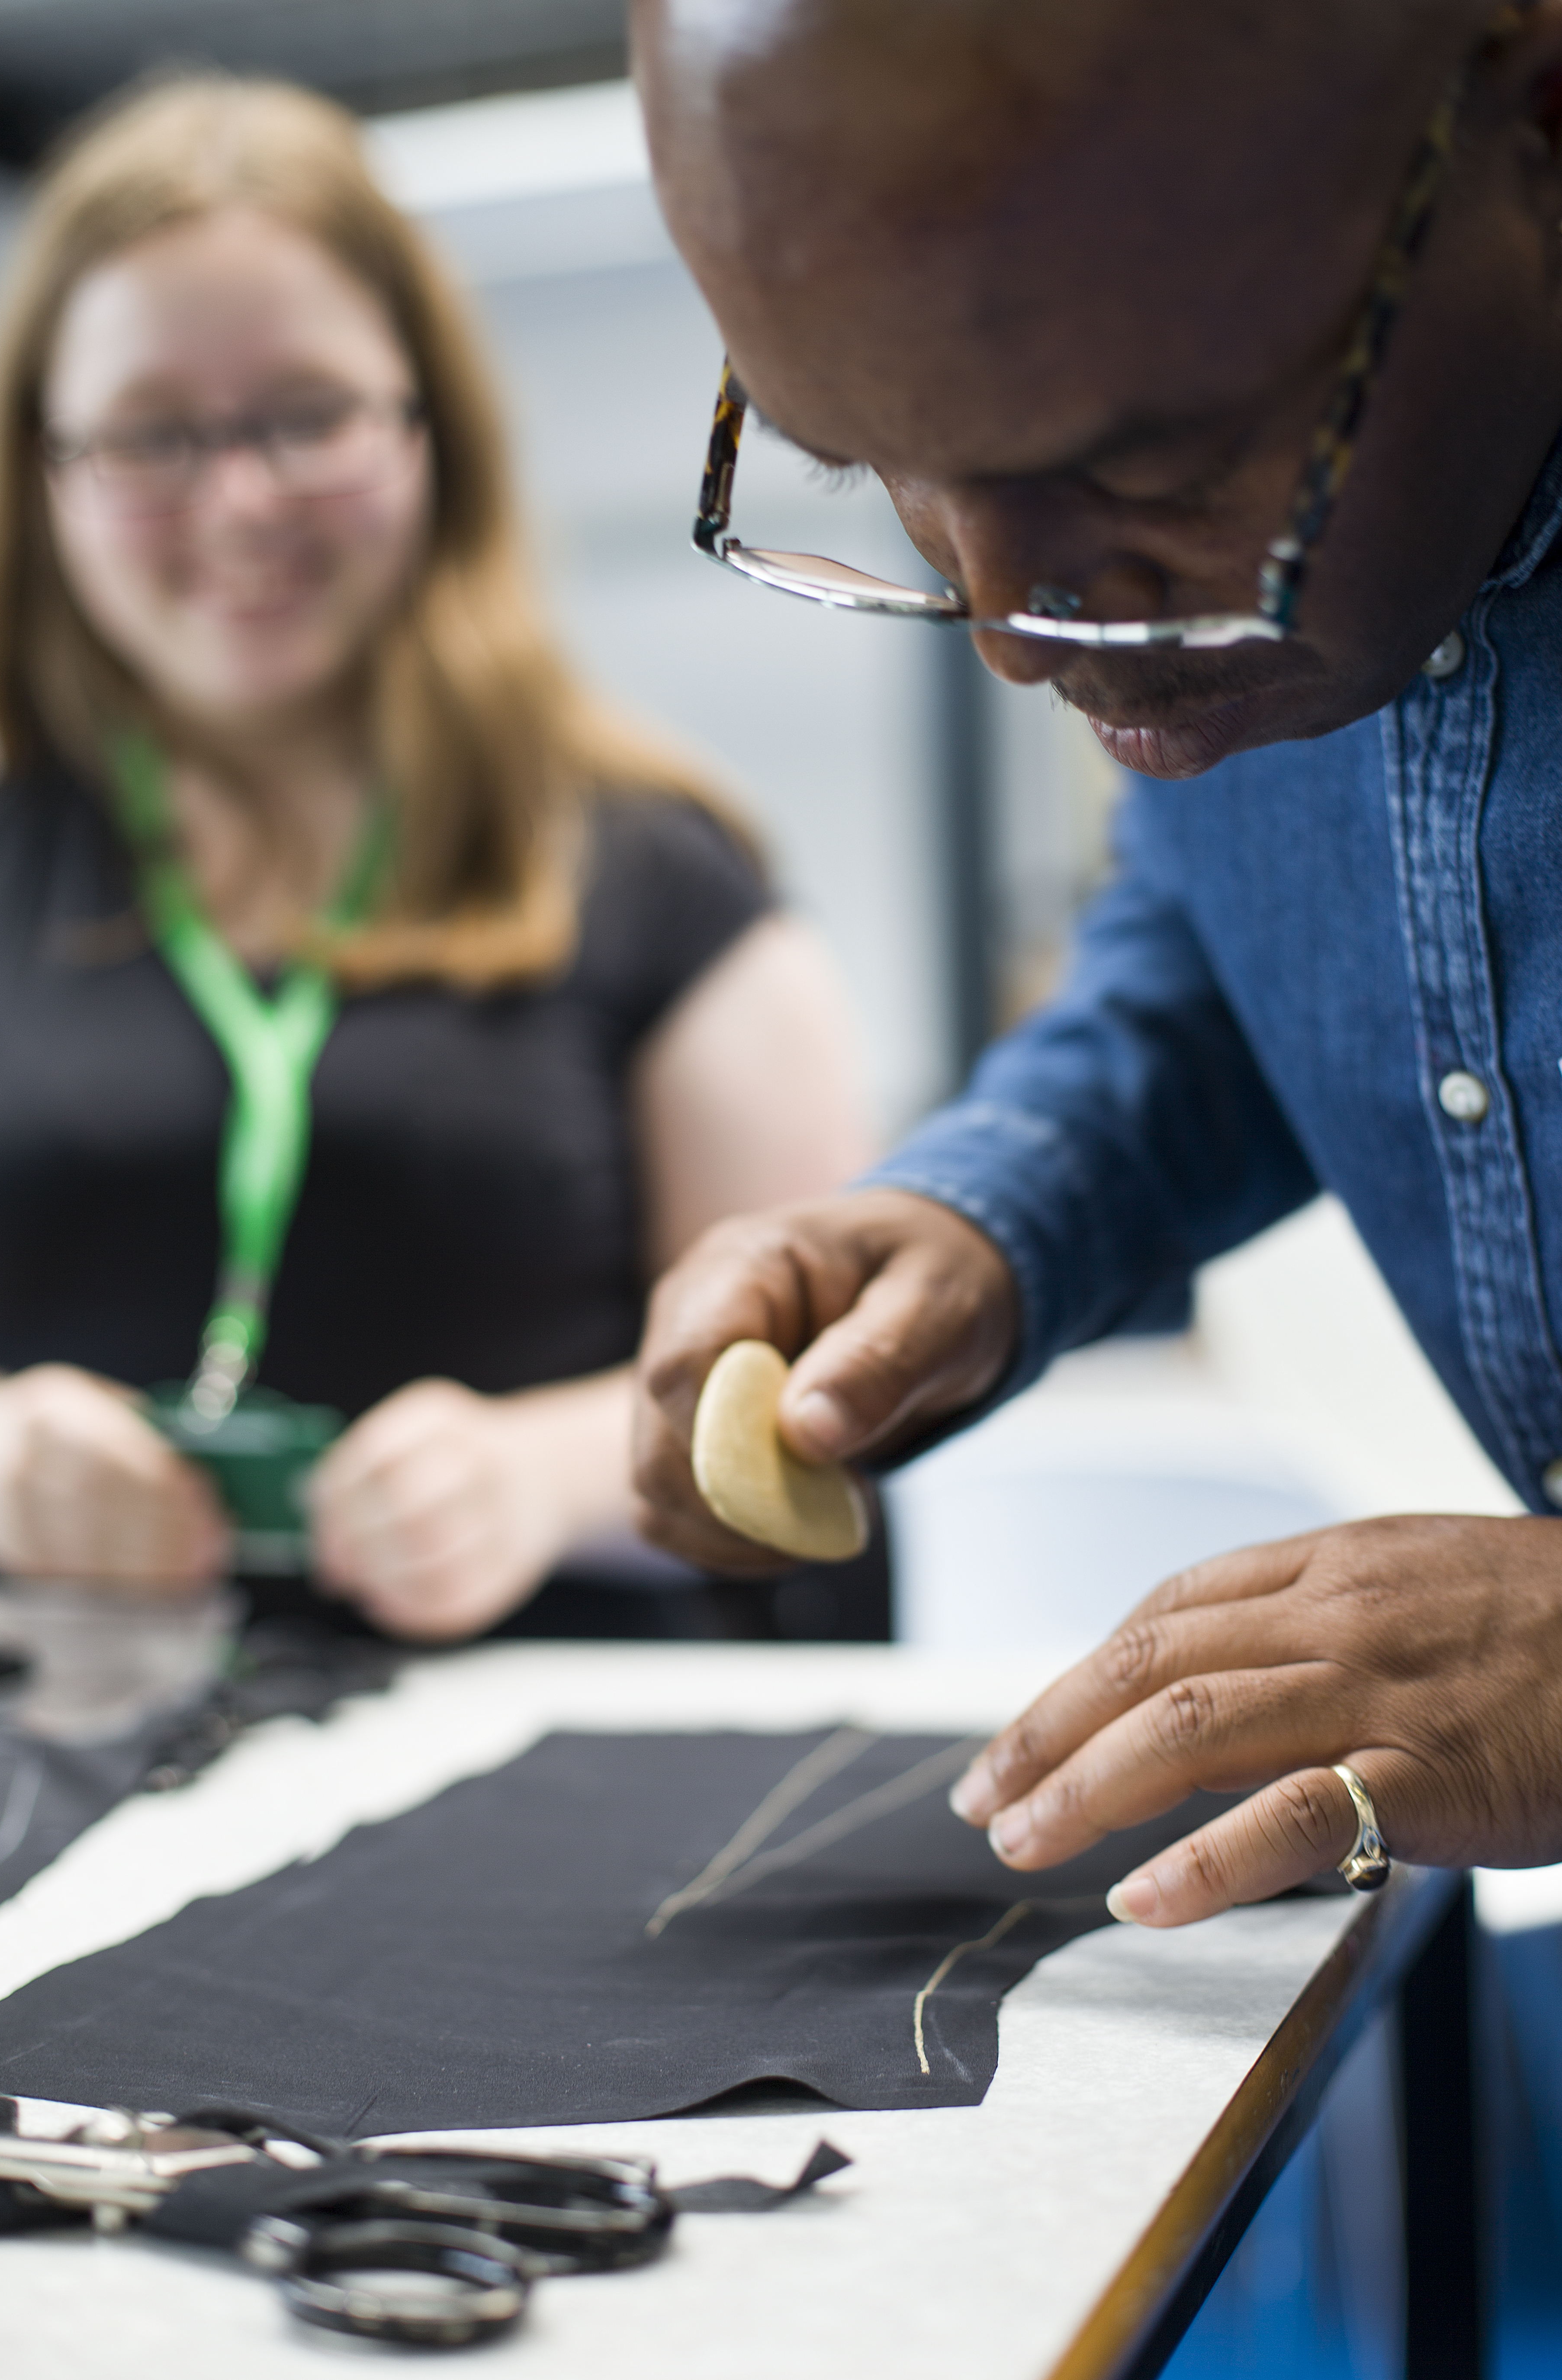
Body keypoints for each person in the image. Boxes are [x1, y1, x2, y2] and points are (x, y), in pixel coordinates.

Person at [629, 0, 1562, 1920]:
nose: (1013, 635)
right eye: (857, 461)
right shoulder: (1249, 627)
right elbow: (1233, 933)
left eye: (1146, 465)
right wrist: (996, 1216)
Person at [0, 72, 873, 1644]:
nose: (240, 500)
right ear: (43, 474)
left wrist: (543, 1478)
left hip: (541, 1777)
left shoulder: (669, 886)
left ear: (430, 432)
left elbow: (821, 1401)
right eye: (149, 436)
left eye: (306, 417)